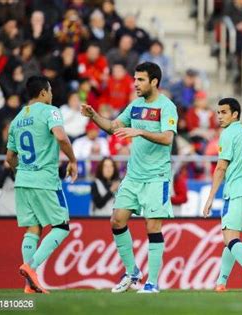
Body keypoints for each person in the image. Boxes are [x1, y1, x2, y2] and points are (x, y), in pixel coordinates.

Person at [81, 62, 178, 294]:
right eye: (134, 79)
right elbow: (114, 127)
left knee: (152, 226)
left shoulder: (167, 107)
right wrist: (95, 116)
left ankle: (152, 283)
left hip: (157, 177)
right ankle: (132, 272)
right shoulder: (135, 106)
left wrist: (140, 131)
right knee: (116, 220)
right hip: (133, 176)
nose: (135, 83)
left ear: (154, 81)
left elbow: (167, 138)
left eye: (140, 79)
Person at [6, 75, 78, 294]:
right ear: (44, 92)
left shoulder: (17, 119)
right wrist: (73, 160)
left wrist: (23, 171)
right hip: (45, 180)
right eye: (50, 91)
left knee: (33, 229)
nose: (52, 94)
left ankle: (30, 285)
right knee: (62, 226)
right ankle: (31, 267)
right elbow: (61, 137)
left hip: (23, 181)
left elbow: (10, 158)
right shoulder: (51, 111)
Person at [202, 97, 242, 292]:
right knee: (231, 237)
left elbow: (221, 167)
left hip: (237, 190)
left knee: (229, 236)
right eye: (218, 112)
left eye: (223, 112)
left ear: (235, 114)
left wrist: (211, 197)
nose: (219, 116)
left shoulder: (228, 133)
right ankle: (221, 283)